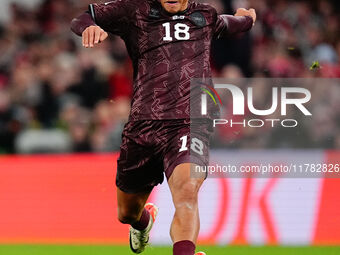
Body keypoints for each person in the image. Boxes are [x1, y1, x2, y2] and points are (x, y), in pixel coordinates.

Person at [71, 1, 256, 254]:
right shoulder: (134, 10)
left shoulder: (205, 15)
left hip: (190, 121)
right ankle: (143, 222)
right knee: (127, 213)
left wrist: (247, 18)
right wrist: (88, 27)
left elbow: (233, 23)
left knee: (187, 191)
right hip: (143, 125)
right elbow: (83, 17)